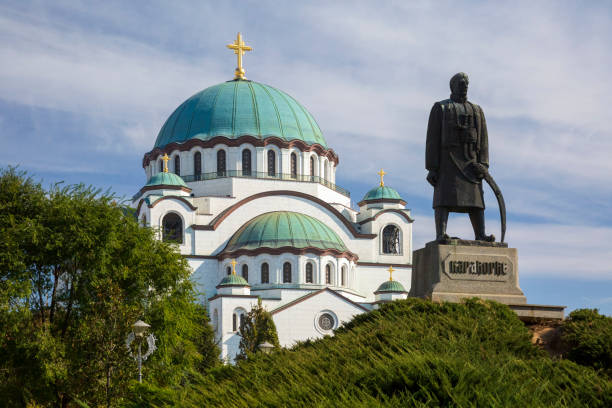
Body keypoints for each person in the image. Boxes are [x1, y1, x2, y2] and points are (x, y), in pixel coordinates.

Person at [426, 72, 494, 242]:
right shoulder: (441, 108)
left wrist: (483, 164)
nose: (464, 86)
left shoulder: (477, 110)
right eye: (460, 83)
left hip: (471, 162)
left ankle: (480, 234)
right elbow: (432, 139)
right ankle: (441, 234)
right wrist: (432, 167)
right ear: (453, 86)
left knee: (477, 201)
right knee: (443, 198)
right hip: (448, 160)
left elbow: (483, 139)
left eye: (466, 84)